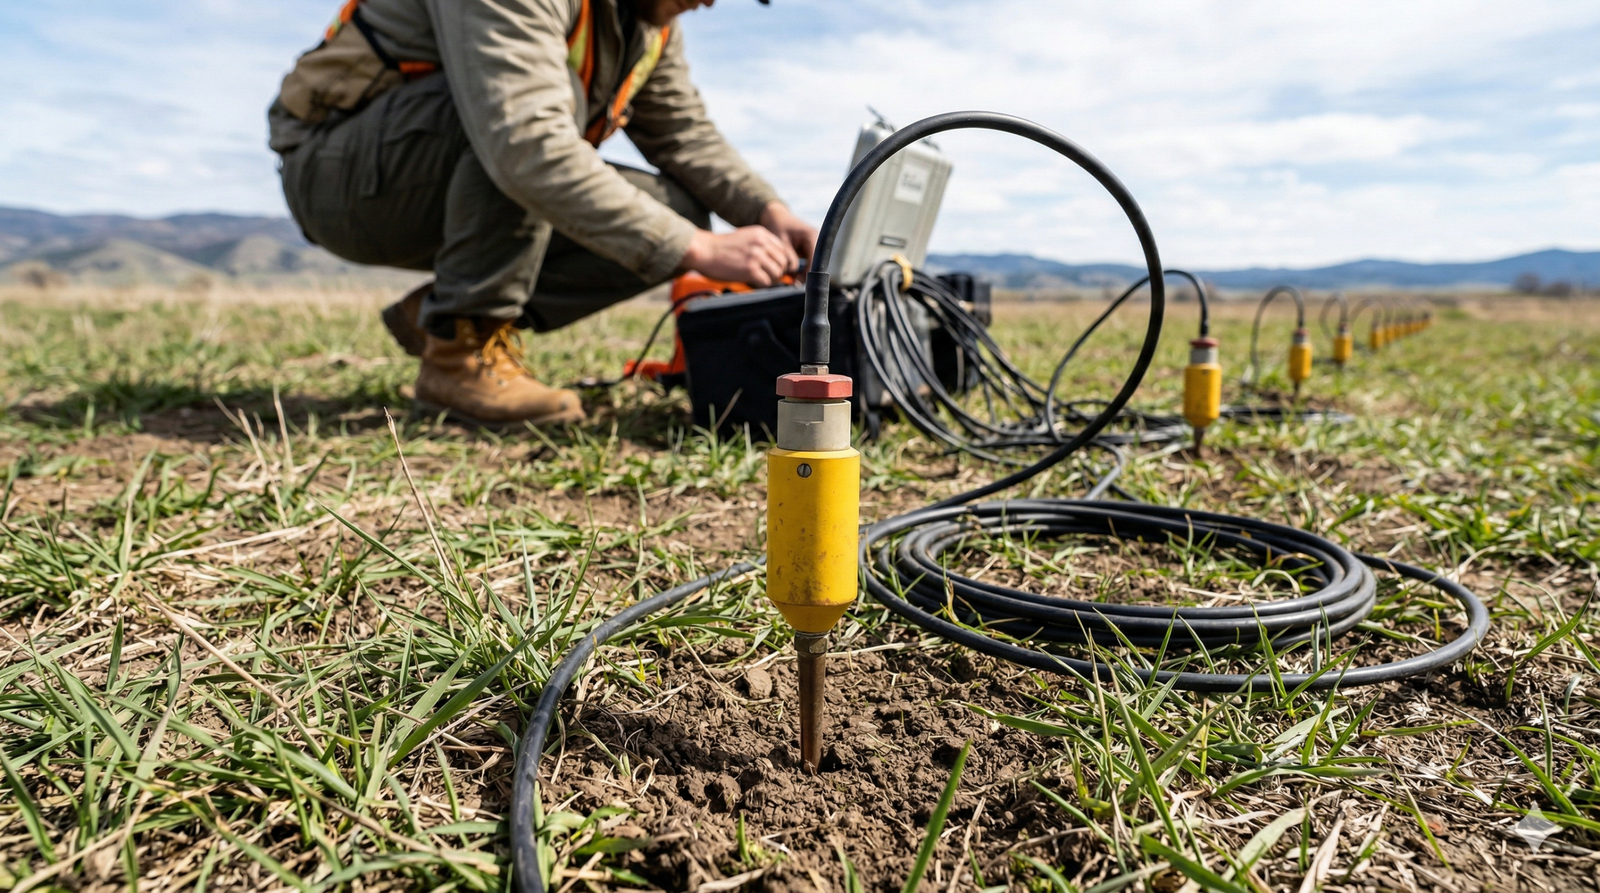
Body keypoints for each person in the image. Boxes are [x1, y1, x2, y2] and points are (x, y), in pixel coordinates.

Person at [267, 0, 816, 426]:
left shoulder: (648, 24)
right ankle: (460, 349)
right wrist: (696, 251)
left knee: (675, 213)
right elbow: (525, 140)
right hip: (339, 175)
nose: (713, 4)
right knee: (533, 115)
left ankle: (440, 313)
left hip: (431, 169)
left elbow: (683, 134)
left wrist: (770, 213)